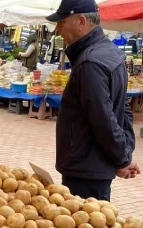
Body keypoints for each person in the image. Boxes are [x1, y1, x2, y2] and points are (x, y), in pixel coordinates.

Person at [46, 0, 139, 201]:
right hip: (93, 164)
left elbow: (104, 118)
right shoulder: (109, 53)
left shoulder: (90, 63)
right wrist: (124, 154)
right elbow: (122, 109)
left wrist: (122, 159)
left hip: (85, 167)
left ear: (81, 21)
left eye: (61, 22)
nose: (58, 29)